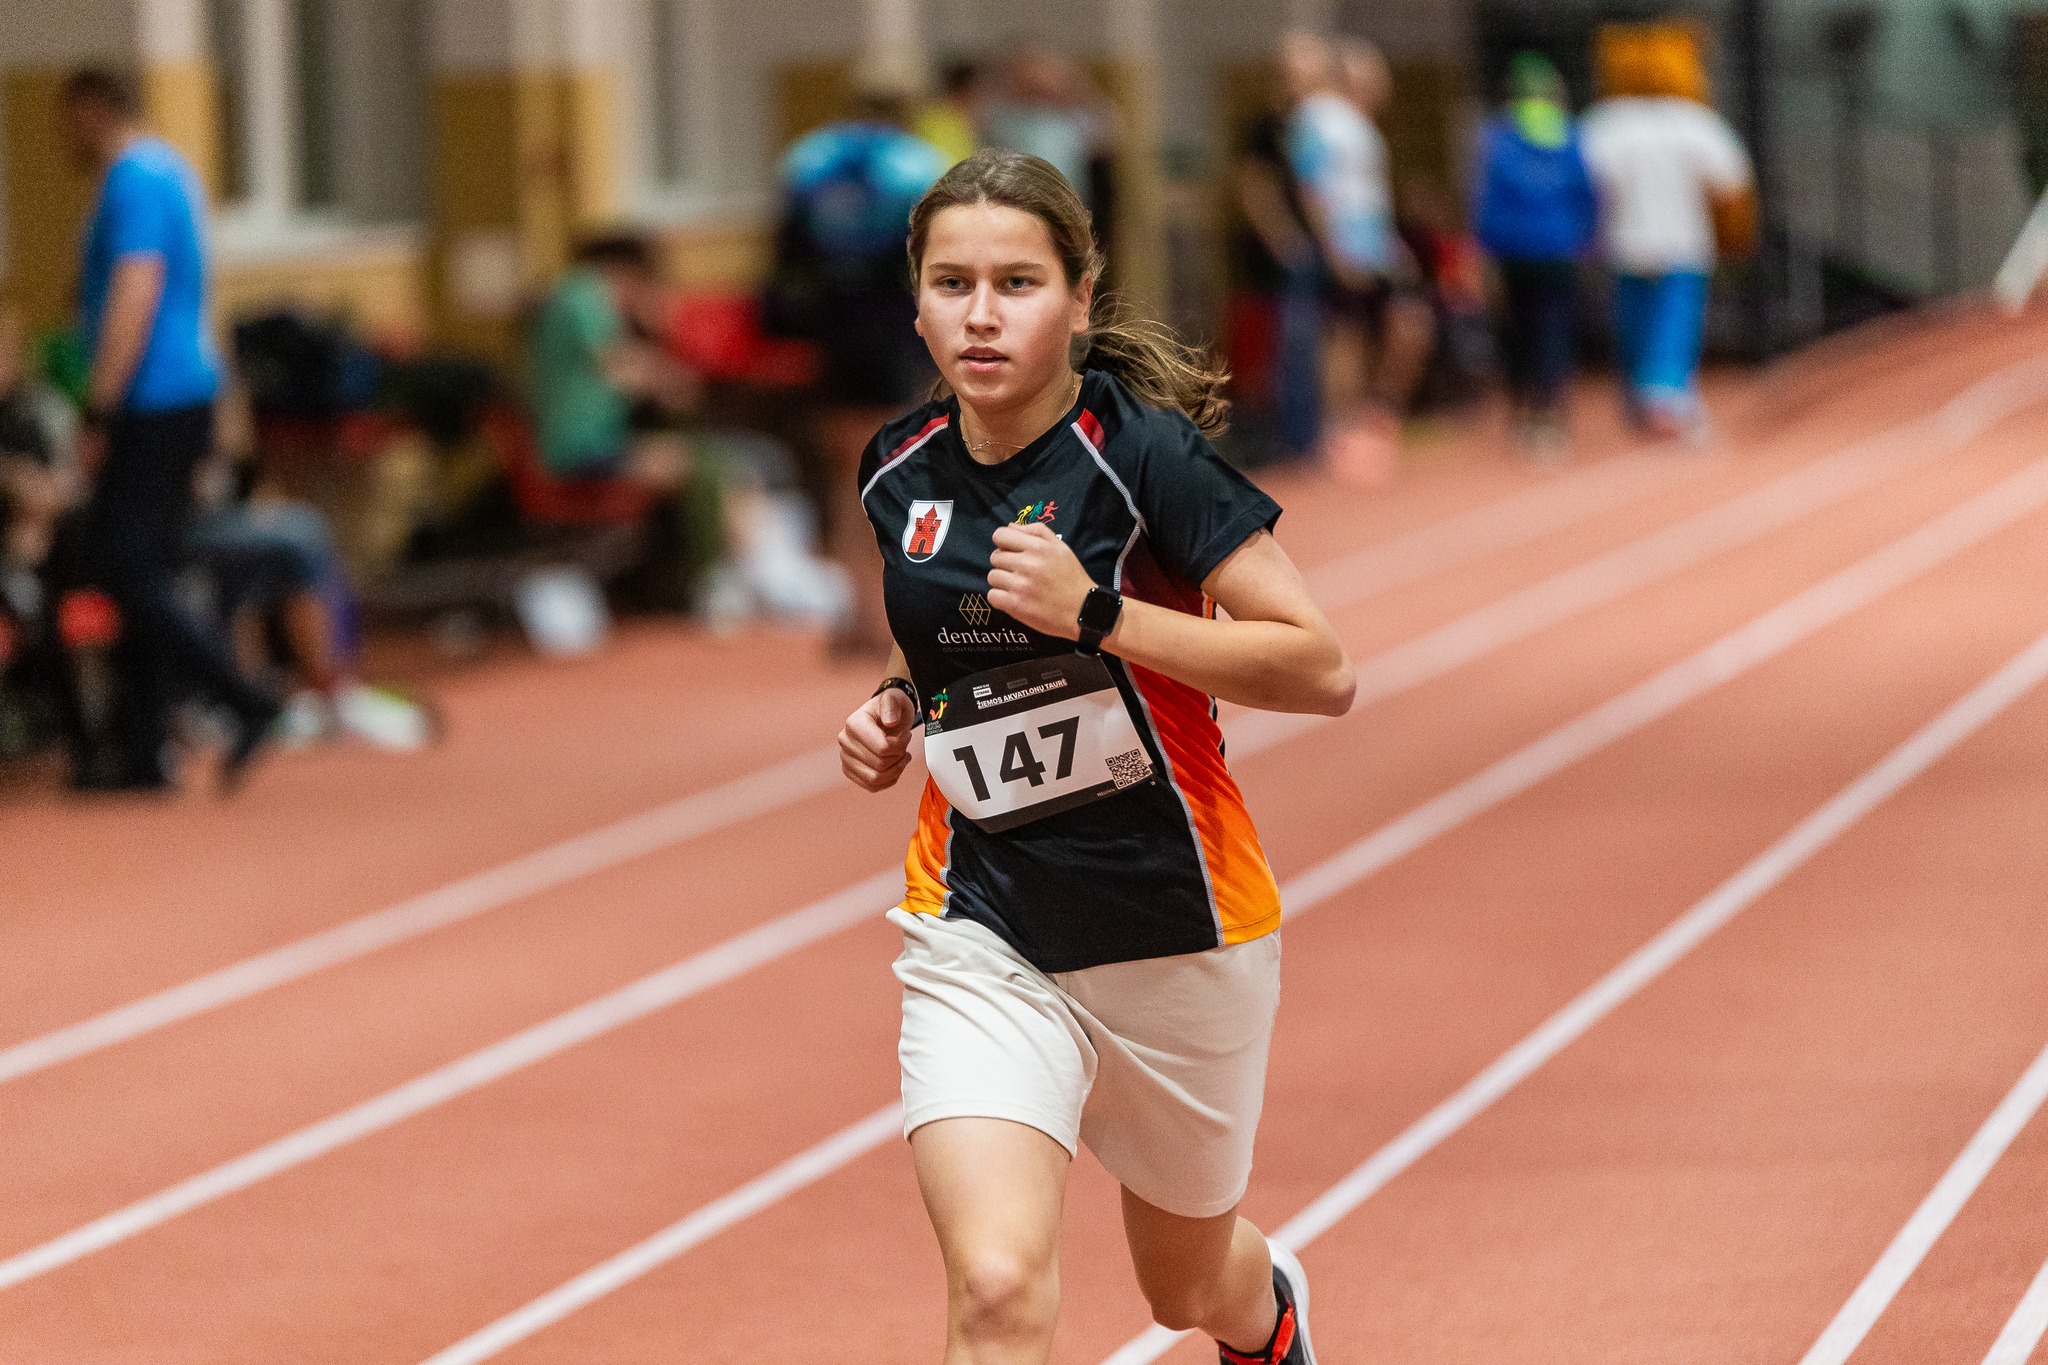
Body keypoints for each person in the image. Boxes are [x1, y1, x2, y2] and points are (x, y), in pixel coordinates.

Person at [835, 149, 1356, 1365]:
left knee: (1185, 1289)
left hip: (1177, 924)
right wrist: (894, 702)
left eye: (1015, 284)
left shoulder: (1147, 458)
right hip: (982, 921)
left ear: (1077, 298)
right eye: (952, 284)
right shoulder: (897, 467)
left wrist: (1098, 614)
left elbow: (1319, 668)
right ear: (915, 305)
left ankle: (1266, 1311)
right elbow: (939, 631)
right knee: (996, 1288)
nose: (980, 315)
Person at [60, 66, 281, 793]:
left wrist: (100, 407)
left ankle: (241, 695)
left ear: (93, 110)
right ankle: (143, 748)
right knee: (142, 569)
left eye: (65, 122)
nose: (60, 140)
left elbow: (137, 290)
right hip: (176, 393)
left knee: (128, 568)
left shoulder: (137, 181)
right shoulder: (162, 174)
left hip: (154, 398)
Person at [768, 69, 949, 655]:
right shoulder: (916, 163)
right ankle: (881, 614)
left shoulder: (809, 158)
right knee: (892, 468)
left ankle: (855, 611)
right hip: (891, 332)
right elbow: (933, 255)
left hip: (833, 331)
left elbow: (785, 253)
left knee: (849, 472)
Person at [1580, 23, 1755, 440]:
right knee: (1675, 321)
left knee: (1634, 323)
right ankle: (1665, 395)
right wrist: (1733, 230)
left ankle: (1640, 395)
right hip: (1682, 243)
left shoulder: (1604, 123)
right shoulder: (1694, 121)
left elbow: (1584, 183)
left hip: (1626, 242)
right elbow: (1732, 183)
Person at [1284, 34, 1433, 487]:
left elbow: (1369, 194)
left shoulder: (1360, 124)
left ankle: (1376, 415)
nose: (1383, 81)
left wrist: (1391, 245)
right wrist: (1334, 246)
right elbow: (1312, 187)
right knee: (1345, 339)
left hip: (1375, 244)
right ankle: (1340, 434)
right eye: (1373, 72)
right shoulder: (1319, 117)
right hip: (1346, 244)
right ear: (1349, 76)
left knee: (1411, 324)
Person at [1472, 52, 1598, 457]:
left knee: (1518, 330)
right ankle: (1551, 415)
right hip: (1558, 246)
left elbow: (1487, 198)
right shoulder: (1568, 132)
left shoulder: (1499, 135)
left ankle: (1522, 413)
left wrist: (1484, 248)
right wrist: (1586, 238)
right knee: (1553, 329)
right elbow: (1585, 193)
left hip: (1512, 249)